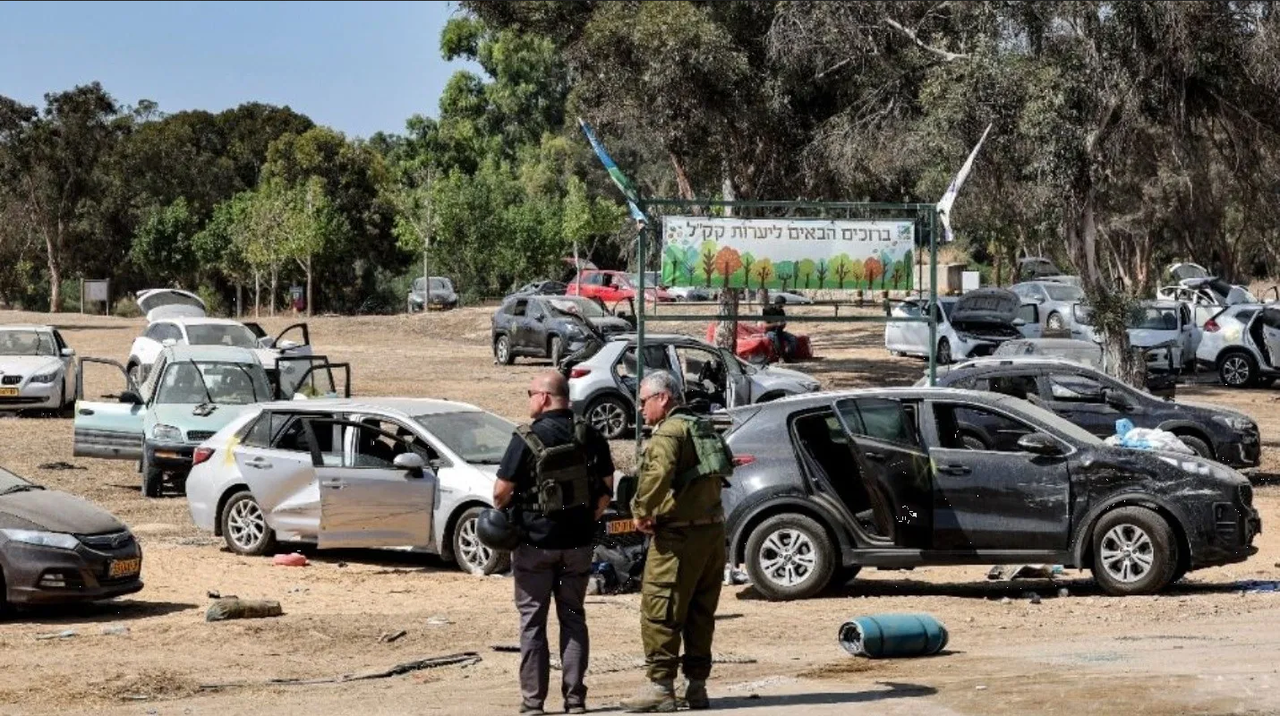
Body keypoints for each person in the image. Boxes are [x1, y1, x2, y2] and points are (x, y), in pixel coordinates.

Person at [494, 371, 615, 716]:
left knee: (533, 623)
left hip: (535, 546)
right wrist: (589, 517)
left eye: (530, 392)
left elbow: (500, 494)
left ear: (544, 397)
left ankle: (533, 703)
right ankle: (575, 700)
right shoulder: (589, 433)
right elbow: (607, 485)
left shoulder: (526, 437)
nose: (529, 398)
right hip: (577, 546)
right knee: (573, 618)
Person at [620, 370, 734, 713]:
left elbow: (658, 473)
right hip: (711, 535)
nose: (640, 409)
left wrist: (641, 510)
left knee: (661, 609)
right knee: (701, 612)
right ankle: (696, 688)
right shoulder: (700, 426)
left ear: (663, 398)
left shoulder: (669, 432)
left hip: (679, 539)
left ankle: (660, 688)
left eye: (643, 401)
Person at [762, 295, 797, 363]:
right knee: (776, 337)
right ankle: (780, 356)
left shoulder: (781, 311)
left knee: (792, 338)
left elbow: (783, 324)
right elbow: (765, 326)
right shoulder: (767, 310)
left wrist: (782, 325)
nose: (781, 307)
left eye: (782, 306)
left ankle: (787, 355)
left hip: (779, 331)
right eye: (780, 306)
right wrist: (776, 324)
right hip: (769, 332)